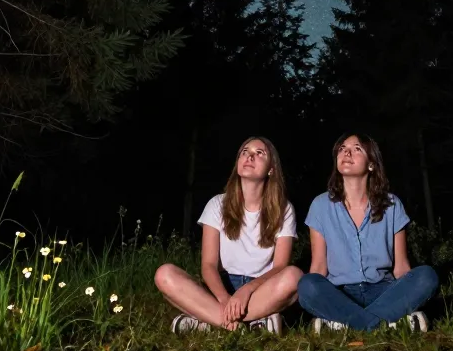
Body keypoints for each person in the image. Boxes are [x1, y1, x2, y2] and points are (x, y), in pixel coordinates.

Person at [154, 136, 302, 335]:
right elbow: (208, 265)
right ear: (238, 163)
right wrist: (224, 299)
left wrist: (246, 291)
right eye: (245, 152)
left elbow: (280, 267)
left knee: (294, 277)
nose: (250, 156)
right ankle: (245, 323)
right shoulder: (217, 204)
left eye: (259, 153)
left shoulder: (284, 209)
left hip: (260, 289)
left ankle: (207, 322)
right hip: (220, 287)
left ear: (271, 169)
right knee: (164, 275)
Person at [298, 132, 438, 332]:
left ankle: (346, 323)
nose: (347, 152)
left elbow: (401, 267)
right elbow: (319, 267)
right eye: (342, 149)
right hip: (340, 293)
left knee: (427, 276)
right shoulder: (320, 205)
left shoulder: (392, 205)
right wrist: (314, 293)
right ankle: (385, 322)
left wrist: (410, 289)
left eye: (356, 149)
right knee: (307, 285)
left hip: (383, 291)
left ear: (371, 164)